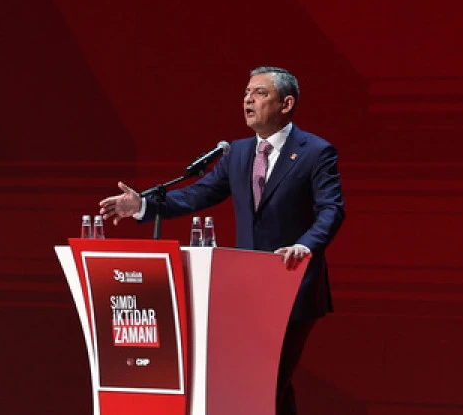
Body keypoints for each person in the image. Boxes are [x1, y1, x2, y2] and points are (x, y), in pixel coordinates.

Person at [99, 66, 345, 415]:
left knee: (269, 381)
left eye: (260, 93)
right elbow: (197, 194)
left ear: (286, 104)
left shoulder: (315, 152)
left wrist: (304, 246)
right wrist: (143, 206)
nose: (248, 99)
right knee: (268, 386)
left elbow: (331, 209)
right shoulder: (238, 153)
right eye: (246, 92)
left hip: (293, 282)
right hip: (247, 290)